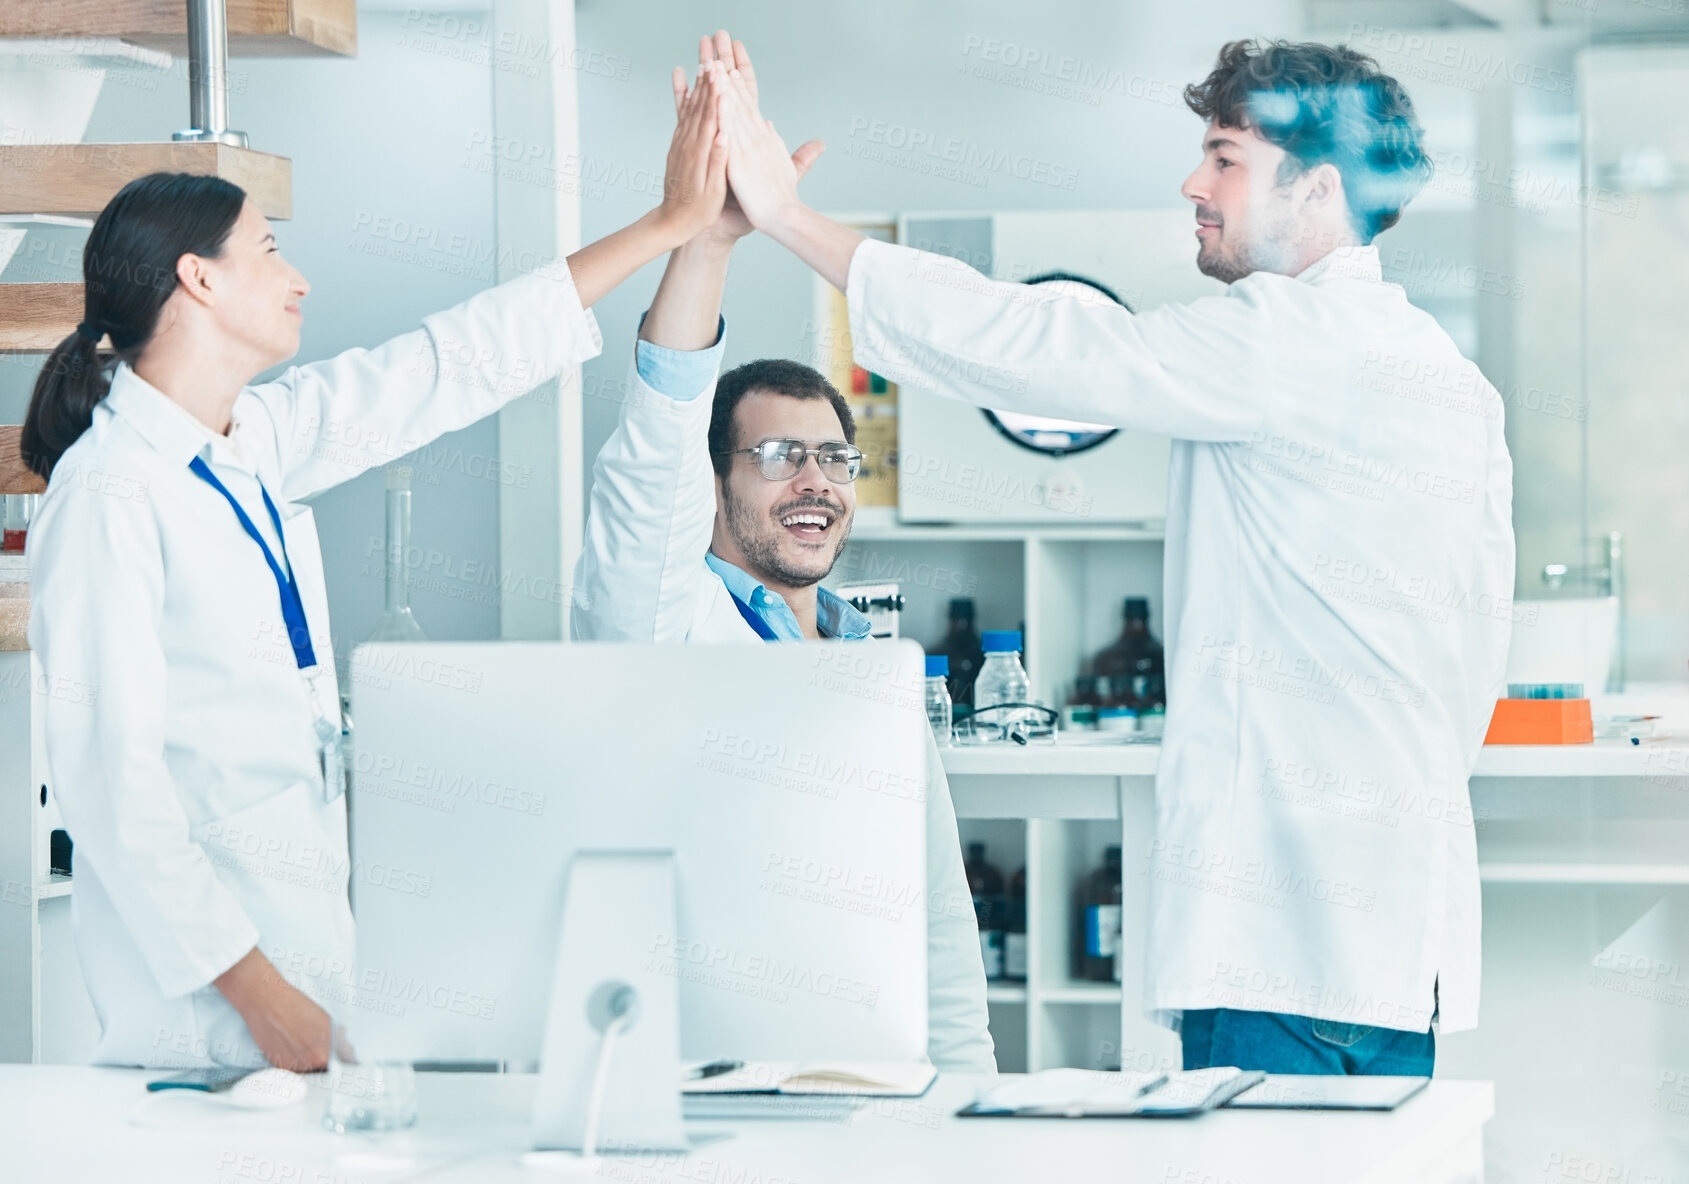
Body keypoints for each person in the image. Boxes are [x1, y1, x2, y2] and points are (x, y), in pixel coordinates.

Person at [716, 36, 1515, 1076]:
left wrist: (784, 216)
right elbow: (1472, 654)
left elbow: (1048, 344)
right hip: (1393, 938)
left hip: (1284, 941)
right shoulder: (1448, 379)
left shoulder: (1284, 336)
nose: (1195, 182)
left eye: (1226, 157)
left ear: (1317, 187)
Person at [24, 65, 735, 1071]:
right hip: (206, 1007)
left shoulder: (247, 440)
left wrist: (668, 225)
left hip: (298, 947)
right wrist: (264, 998)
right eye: (269, 252)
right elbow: (109, 789)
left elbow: (445, 363)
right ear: (198, 278)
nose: (297, 277)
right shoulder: (109, 495)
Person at [569, 33, 994, 1075]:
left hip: (873, 1079)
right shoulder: (660, 619)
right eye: (777, 454)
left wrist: (962, 1085)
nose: (816, 480)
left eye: (834, 459)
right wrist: (706, 243)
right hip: (707, 1078)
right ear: (711, 481)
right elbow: (651, 457)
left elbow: (936, 909)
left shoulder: (875, 662)